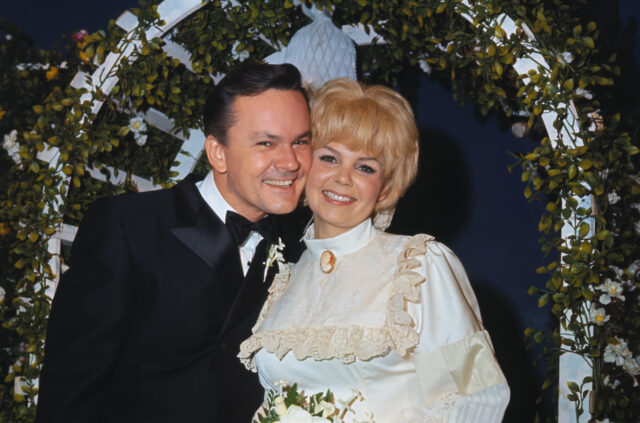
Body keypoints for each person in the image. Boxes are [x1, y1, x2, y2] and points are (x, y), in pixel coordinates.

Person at [36, 63, 312, 423]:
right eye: (266, 143)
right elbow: (70, 392)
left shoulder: (305, 246)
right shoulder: (128, 227)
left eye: (301, 142)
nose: (290, 162)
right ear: (217, 152)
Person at [239, 78, 510, 422]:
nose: (343, 177)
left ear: (384, 188)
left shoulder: (419, 267)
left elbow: (476, 397)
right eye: (329, 157)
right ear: (305, 167)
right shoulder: (284, 280)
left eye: (365, 167)